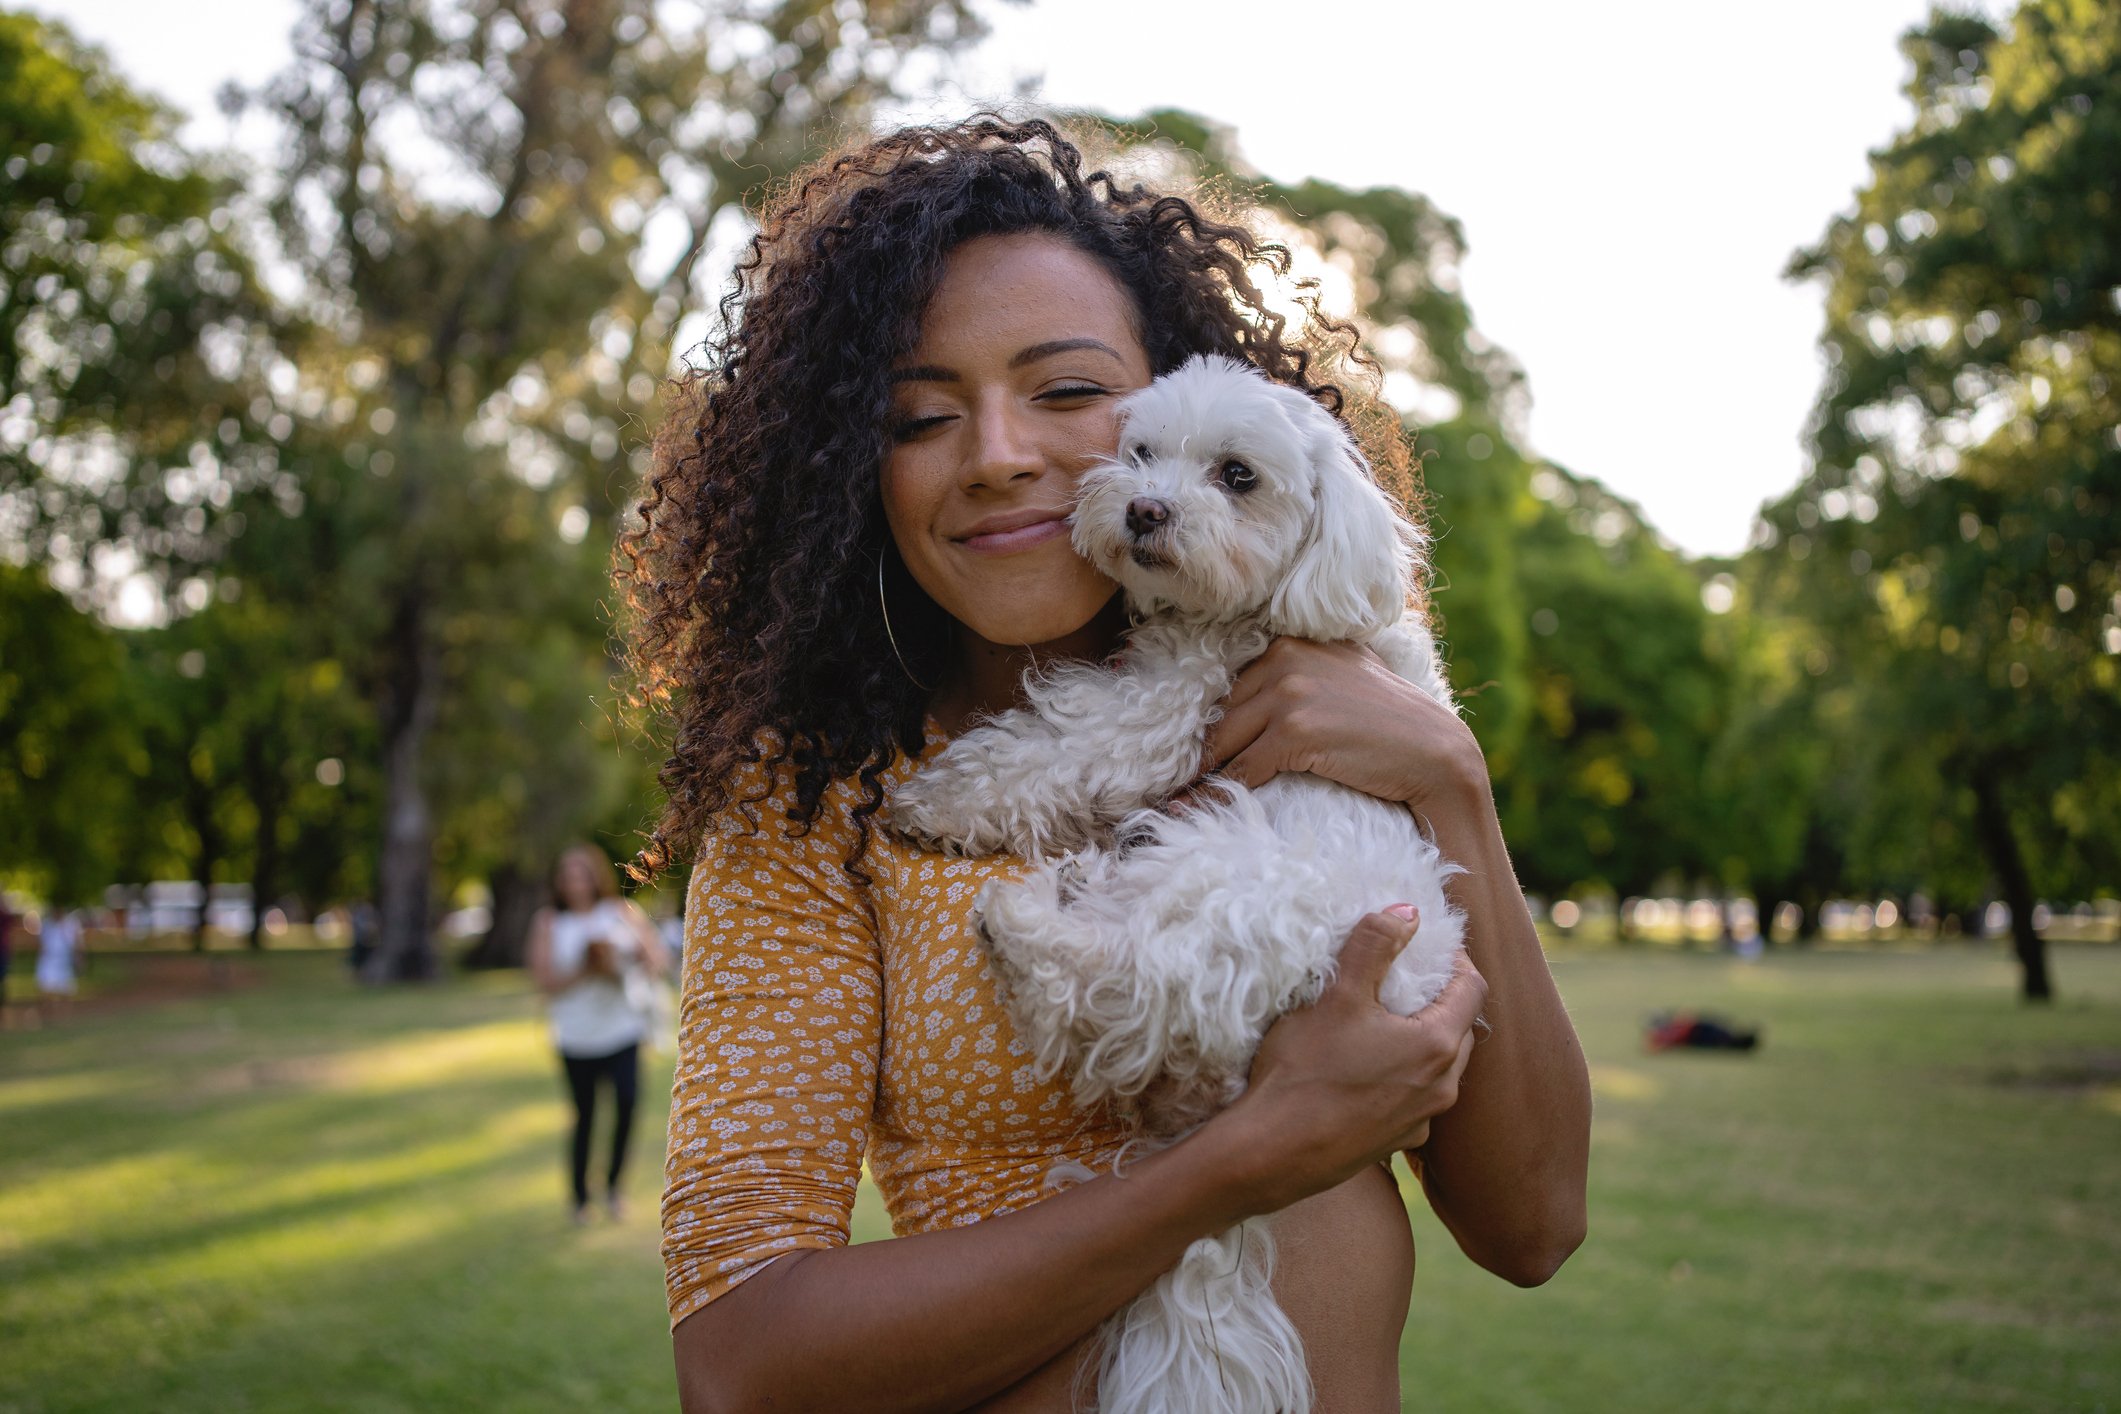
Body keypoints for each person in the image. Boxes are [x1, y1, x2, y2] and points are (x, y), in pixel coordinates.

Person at [622, 117, 1593, 1411]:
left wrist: (1449, 783)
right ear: (851, 465)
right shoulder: (820, 808)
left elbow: (1531, 1227)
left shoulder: (1336, 709)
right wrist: (1234, 1164)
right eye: (920, 414)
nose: (1000, 454)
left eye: (1070, 392)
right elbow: (740, 1363)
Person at [526, 843, 670, 1224]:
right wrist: (586, 969)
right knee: (585, 1114)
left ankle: (613, 1188)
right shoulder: (549, 922)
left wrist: (629, 960)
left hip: (622, 1029)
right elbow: (543, 979)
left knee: (626, 1105)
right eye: (568, 875)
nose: (575, 882)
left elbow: (656, 958)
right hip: (576, 1034)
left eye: (582, 873)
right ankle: (579, 1198)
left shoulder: (620, 913)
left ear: (595, 876)